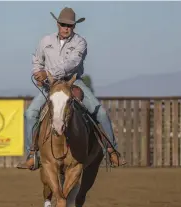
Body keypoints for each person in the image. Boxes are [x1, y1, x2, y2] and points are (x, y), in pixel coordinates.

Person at [16, 7, 125, 170]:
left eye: (70, 25)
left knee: (100, 113)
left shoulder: (80, 42)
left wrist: (47, 72)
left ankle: (112, 150)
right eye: (63, 24)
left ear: (74, 27)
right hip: (50, 85)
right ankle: (32, 155)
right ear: (57, 24)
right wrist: (37, 73)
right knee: (30, 114)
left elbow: (71, 64)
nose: (66, 28)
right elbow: (37, 59)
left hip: (74, 83)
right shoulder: (45, 41)